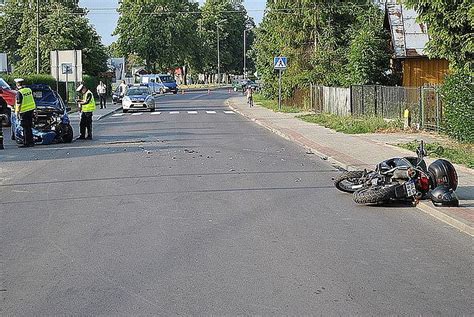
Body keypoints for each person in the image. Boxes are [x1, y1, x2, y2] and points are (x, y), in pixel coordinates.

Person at [15, 78, 36, 147]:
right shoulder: (29, 90)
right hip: (31, 110)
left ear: (17, 85)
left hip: (24, 112)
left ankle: (26, 143)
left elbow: (18, 104)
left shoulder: (19, 92)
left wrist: (17, 112)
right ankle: (31, 142)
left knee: (25, 128)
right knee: (29, 127)